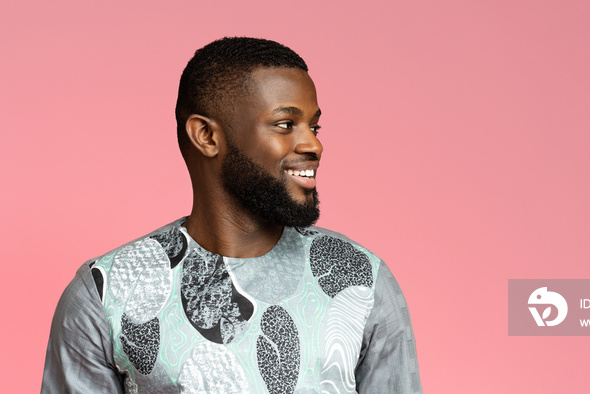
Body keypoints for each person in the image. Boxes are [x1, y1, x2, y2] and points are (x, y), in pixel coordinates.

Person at [41, 37, 422, 393]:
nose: (313, 144)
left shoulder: (361, 279)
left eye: (314, 125)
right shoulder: (106, 293)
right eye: (285, 124)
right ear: (206, 136)